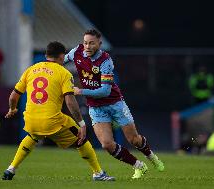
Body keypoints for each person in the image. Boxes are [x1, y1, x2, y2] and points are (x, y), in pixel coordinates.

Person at [2, 41, 115, 181]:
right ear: (62, 57)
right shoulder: (64, 73)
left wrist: (12, 109)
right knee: (82, 139)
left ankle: (10, 169)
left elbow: (14, 96)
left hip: (31, 119)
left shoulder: (31, 69)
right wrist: (81, 123)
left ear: (46, 55)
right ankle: (98, 173)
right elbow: (70, 101)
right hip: (53, 121)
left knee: (32, 137)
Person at [64, 29, 164, 179]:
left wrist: (80, 91)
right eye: (85, 42)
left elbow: (104, 91)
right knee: (107, 144)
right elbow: (59, 61)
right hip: (96, 108)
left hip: (115, 104)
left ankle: (151, 156)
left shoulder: (105, 60)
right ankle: (139, 166)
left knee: (133, 140)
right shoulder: (76, 52)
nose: (87, 46)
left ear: (99, 43)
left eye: (92, 43)